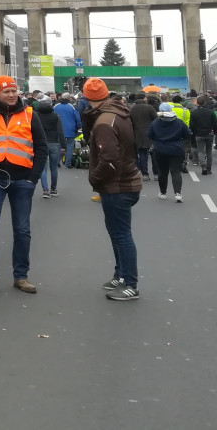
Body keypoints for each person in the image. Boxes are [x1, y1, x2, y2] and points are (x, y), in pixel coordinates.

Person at [0, 75, 48, 295]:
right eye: (7, 92)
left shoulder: (29, 114)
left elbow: (41, 148)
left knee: (22, 229)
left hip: (22, 179)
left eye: (14, 91)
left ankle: (21, 277)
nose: (12, 95)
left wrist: (33, 179)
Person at [82, 77, 142, 301]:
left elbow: (109, 160)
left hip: (117, 185)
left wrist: (95, 180)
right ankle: (120, 276)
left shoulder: (104, 122)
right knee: (117, 233)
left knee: (122, 235)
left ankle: (130, 283)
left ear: (87, 98)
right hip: (127, 181)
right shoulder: (120, 113)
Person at [147, 102, 189, 202]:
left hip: (160, 149)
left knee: (162, 171)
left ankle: (163, 192)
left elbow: (150, 134)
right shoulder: (179, 122)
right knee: (176, 171)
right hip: (177, 149)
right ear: (171, 110)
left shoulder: (155, 123)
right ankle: (178, 193)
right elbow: (187, 134)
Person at [34, 93, 62, 198]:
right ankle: (54, 189)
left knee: (43, 168)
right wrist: (63, 145)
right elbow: (60, 131)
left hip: (41, 144)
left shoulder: (36, 116)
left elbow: (33, 130)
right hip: (54, 142)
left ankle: (45, 190)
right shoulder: (55, 116)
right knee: (54, 167)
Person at [129, 92, 158, 181]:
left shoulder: (132, 109)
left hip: (138, 134)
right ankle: (156, 174)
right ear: (143, 98)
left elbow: (130, 122)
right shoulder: (149, 108)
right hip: (151, 134)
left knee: (142, 155)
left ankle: (145, 174)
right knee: (154, 155)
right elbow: (156, 119)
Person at [190, 96, 217, 175]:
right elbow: (215, 124)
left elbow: (191, 125)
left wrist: (195, 132)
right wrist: (214, 132)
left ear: (197, 103)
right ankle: (209, 169)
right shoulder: (210, 112)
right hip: (209, 134)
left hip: (199, 134)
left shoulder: (193, 113)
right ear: (205, 103)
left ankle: (203, 166)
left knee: (201, 151)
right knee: (209, 152)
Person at [55, 93, 82, 167]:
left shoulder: (56, 106)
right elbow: (77, 118)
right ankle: (68, 164)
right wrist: (78, 126)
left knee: (60, 146)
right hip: (71, 129)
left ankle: (57, 162)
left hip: (58, 129)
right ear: (69, 98)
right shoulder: (72, 107)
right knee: (70, 146)